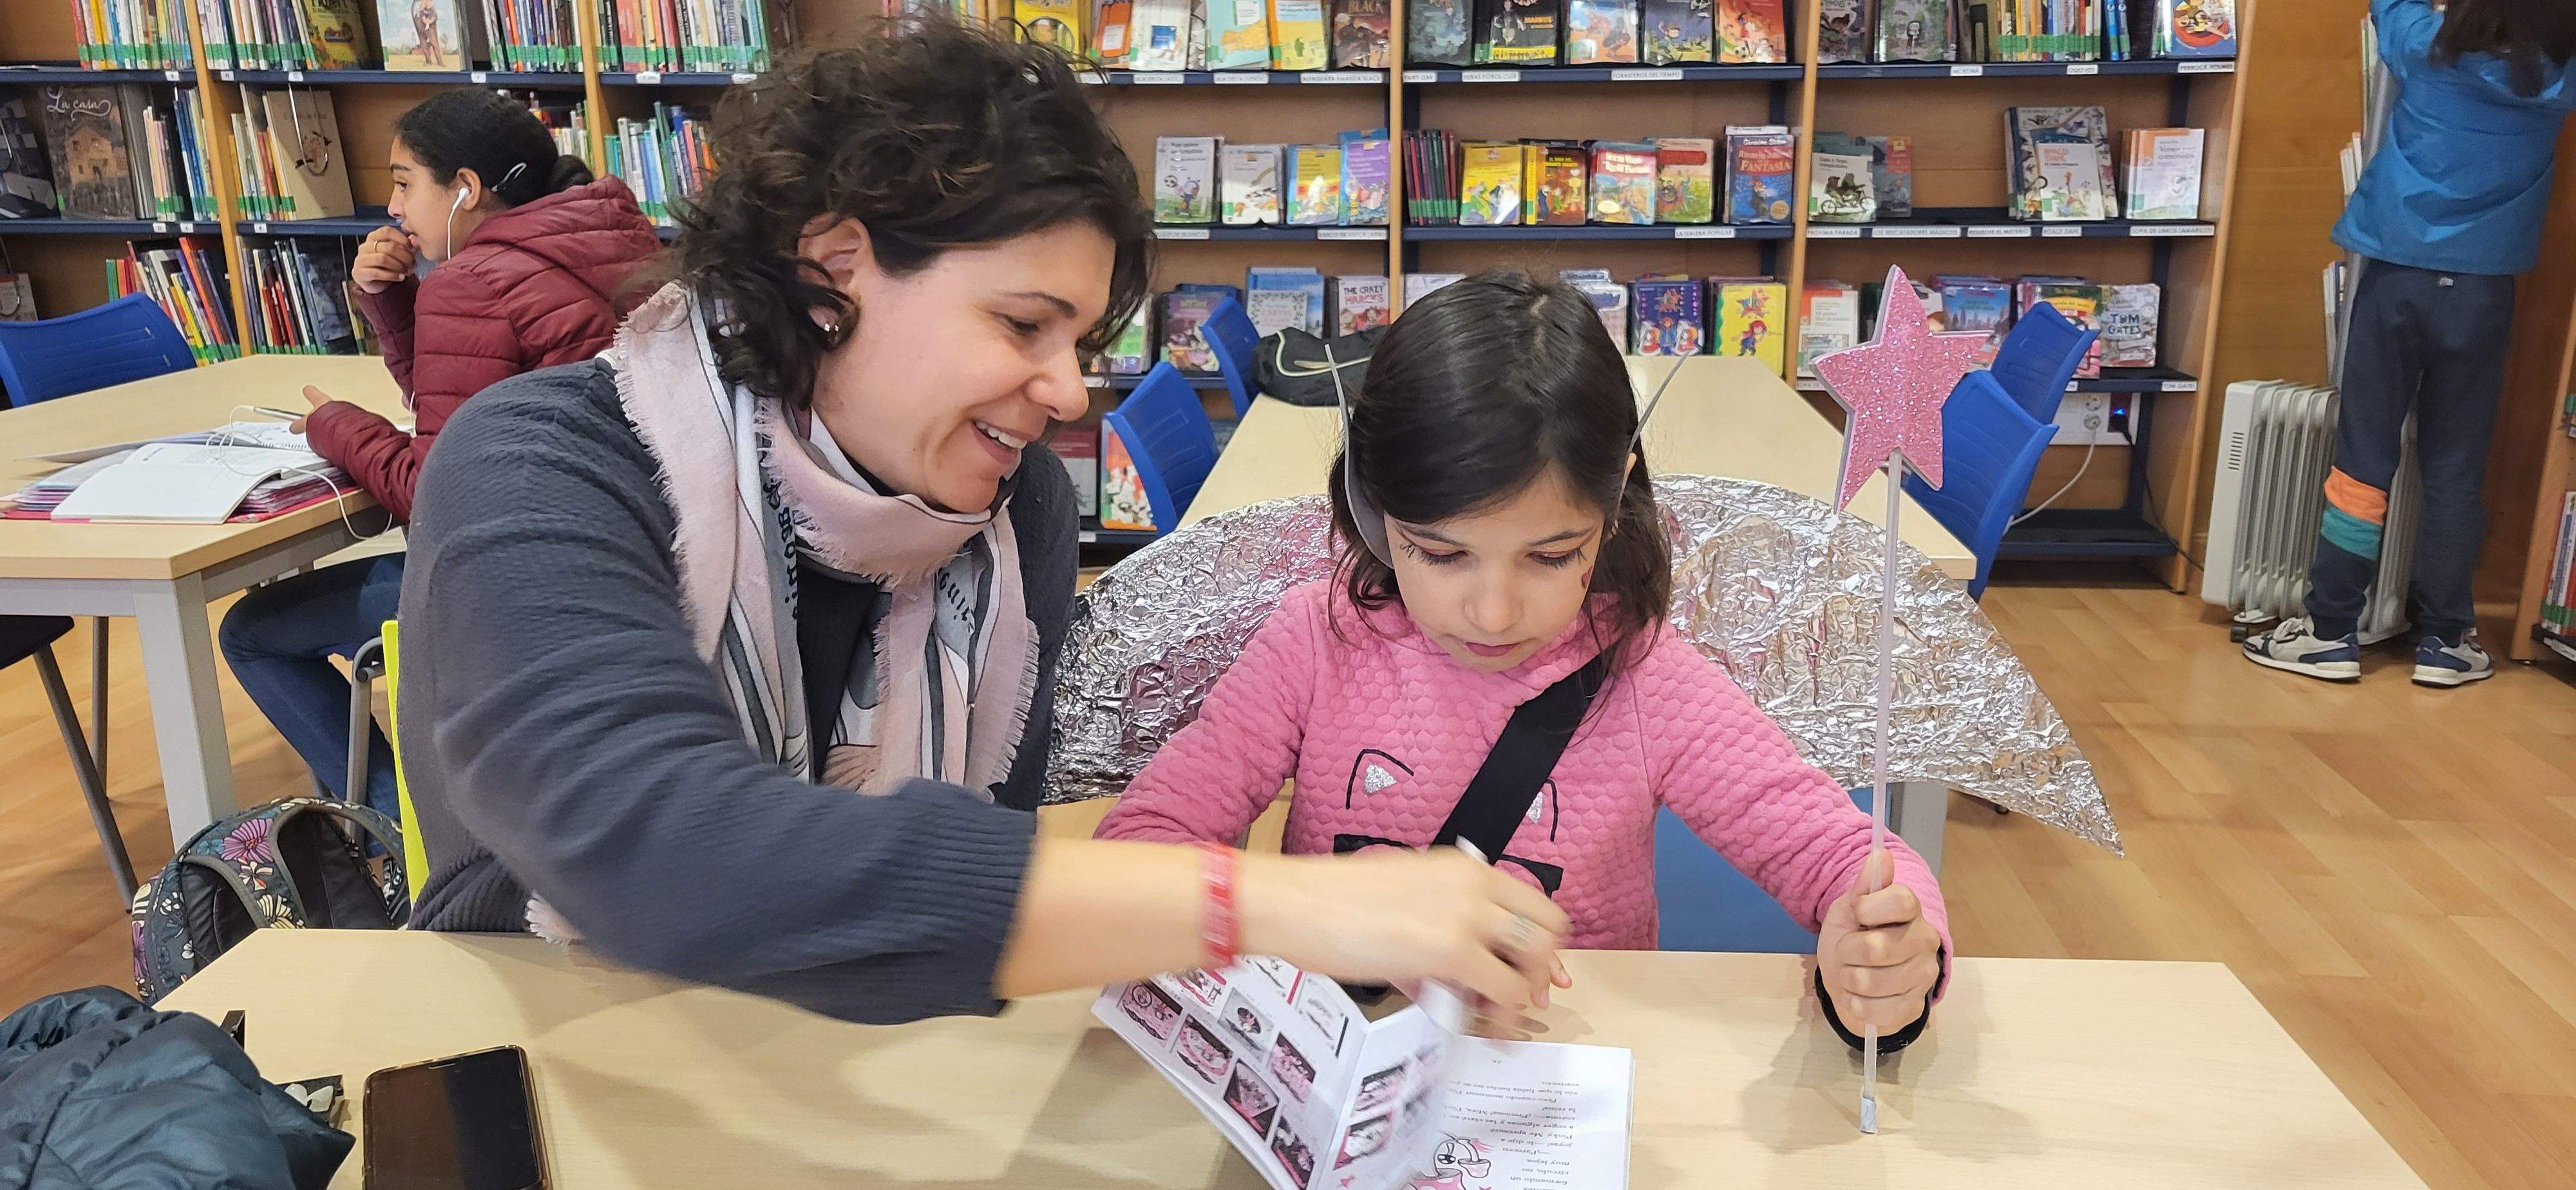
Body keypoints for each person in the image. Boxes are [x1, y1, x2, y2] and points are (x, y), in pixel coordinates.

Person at [393, 24, 1567, 1027]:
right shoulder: (540, 466)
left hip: (882, 1066)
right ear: (835, 265)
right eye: (1023, 324)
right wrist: (1260, 900)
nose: (1067, 391)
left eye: (1082, 344)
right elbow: (654, 848)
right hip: (554, 1057)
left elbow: (969, 889)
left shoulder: (1015, 515)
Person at [1095, 271, 1949, 1046]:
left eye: (1550, 557)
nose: (1494, 612)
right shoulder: (1314, 642)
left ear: (1613, 514)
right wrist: (1299, 923)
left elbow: (1850, 860)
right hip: (1338, 1070)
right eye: (1440, 553)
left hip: (1556, 1072)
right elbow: (1143, 847)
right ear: (1372, 508)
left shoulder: (1645, 678)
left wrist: (1888, 952)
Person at [218, 90, 660, 818]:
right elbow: (457, 407)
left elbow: (434, 490)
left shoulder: (473, 282)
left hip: (526, 583)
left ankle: (404, 832)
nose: (392, 208)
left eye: (402, 182)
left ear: (465, 188)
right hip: (640, 554)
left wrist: (335, 425)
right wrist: (390, 302)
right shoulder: (616, 240)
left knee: (253, 633)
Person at [2245, 0, 2575, 687]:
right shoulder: (2561, 74)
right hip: (2485, 292)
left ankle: (2330, 631)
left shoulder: (2426, 44)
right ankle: (2446, 640)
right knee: (2456, 469)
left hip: (2398, 277)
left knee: (2362, 460)